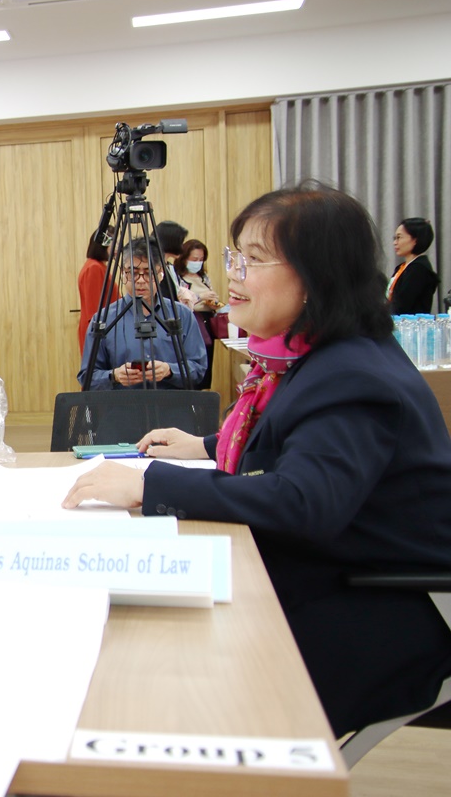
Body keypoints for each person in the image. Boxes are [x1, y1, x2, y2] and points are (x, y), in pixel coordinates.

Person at [63, 182, 451, 738]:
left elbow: (302, 500)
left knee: (163, 678)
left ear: (317, 277)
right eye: (234, 257)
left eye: (254, 259)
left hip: (370, 605)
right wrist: (204, 445)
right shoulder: (317, 354)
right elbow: (295, 442)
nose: (234, 276)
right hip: (326, 570)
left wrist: (150, 486)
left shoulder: (351, 375)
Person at [77, 236, 208, 391]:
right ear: (123, 274)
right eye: (132, 273)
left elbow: (199, 369)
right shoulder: (103, 319)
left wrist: (170, 371)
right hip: (123, 404)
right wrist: (114, 376)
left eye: (148, 273)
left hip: (170, 403)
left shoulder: (182, 315)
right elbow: (87, 377)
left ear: (161, 274)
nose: (140, 280)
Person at [174, 238, 221, 388]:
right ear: (184, 258)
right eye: (194, 259)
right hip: (191, 322)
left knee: (206, 361)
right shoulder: (177, 277)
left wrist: (214, 303)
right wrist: (200, 297)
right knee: (190, 360)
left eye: (201, 260)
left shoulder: (204, 277)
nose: (198, 263)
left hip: (207, 323)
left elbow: (210, 298)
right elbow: (180, 301)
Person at [77, 225, 118, 354]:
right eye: (114, 243)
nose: (117, 247)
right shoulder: (94, 268)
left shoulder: (99, 266)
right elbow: (94, 310)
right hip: (98, 332)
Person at [388, 216, 438, 314]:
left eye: (399, 237)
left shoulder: (419, 269)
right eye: (395, 238)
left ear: (415, 240)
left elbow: (402, 305)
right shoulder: (402, 267)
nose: (395, 243)